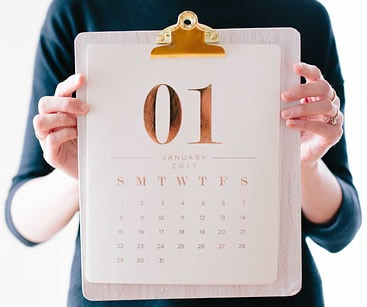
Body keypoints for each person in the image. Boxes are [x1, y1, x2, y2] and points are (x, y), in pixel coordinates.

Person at [5, 0, 361, 306]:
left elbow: (341, 228)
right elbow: (22, 221)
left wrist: (304, 163)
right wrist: (83, 173)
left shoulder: (303, 14)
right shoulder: (79, 11)